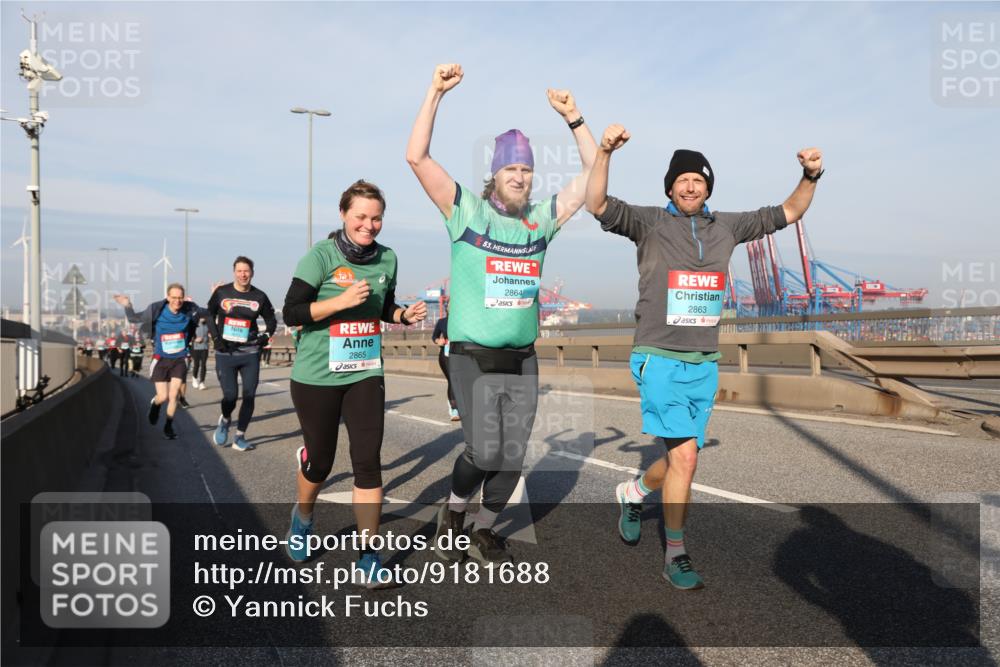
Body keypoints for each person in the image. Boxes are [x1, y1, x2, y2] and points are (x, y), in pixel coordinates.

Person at [585, 123, 823, 590]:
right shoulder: (649, 221)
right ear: (670, 187)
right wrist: (604, 152)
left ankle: (633, 493)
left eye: (699, 179)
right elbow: (596, 203)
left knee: (681, 457)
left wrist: (812, 175)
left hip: (704, 360)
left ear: (708, 186)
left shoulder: (728, 226)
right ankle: (675, 553)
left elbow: (791, 211)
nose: (690, 185)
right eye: (682, 180)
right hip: (658, 355)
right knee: (688, 460)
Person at [406, 63, 596, 565]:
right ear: (496, 174)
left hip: (522, 356)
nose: (520, 175)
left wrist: (575, 119)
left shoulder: (541, 221)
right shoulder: (467, 211)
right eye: (512, 168)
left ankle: (483, 529)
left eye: (527, 169)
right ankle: (453, 511)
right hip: (471, 354)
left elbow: (591, 183)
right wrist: (434, 93)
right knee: (485, 451)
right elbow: (417, 157)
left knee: (513, 455)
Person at [281, 179, 427, 583]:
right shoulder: (320, 256)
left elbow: (383, 306)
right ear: (344, 214)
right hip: (316, 376)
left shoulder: (388, 258)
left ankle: (368, 556)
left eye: (376, 217)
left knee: (367, 463)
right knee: (321, 462)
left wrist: (402, 316)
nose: (369, 225)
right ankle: (303, 518)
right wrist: (338, 302)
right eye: (361, 216)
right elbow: (291, 312)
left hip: (365, 372)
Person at [206, 257, 277, 452]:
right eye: (239, 271)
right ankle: (225, 419)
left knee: (249, 395)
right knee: (230, 396)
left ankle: (240, 436)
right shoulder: (222, 292)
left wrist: (265, 336)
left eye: (246, 271)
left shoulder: (260, 296)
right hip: (226, 352)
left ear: (252, 272)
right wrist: (216, 338)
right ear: (234, 272)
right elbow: (208, 314)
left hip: (250, 351)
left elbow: (271, 321)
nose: (243, 274)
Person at [115, 284, 202, 439]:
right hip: (161, 358)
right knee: (163, 397)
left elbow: (207, 313)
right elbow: (134, 318)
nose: (177, 301)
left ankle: (168, 426)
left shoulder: (189, 311)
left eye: (180, 297)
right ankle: (155, 406)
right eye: (174, 297)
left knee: (174, 395)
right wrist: (128, 305)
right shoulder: (157, 310)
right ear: (168, 297)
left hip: (180, 358)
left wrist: (217, 294)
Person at [431, 312, 459, 421]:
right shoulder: (442, 322)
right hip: (446, 354)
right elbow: (434, 336)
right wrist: (438, 340)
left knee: (460, 381)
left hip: (461, 353)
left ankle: (462, 405)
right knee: (452, 379)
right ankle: (454, 408)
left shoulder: (464, 320)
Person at [191, 316, 210, 389]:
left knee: (203, 365)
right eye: (202, 316)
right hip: (196, 348)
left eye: (204, 316)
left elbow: (211, 332)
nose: (203, 318)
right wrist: (194, 339)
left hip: (205, 348)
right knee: (196, 365)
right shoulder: (194, 324)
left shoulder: (207, 324)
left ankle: (202, 382)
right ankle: (194, 378)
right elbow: (190, 335)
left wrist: (210, 335)